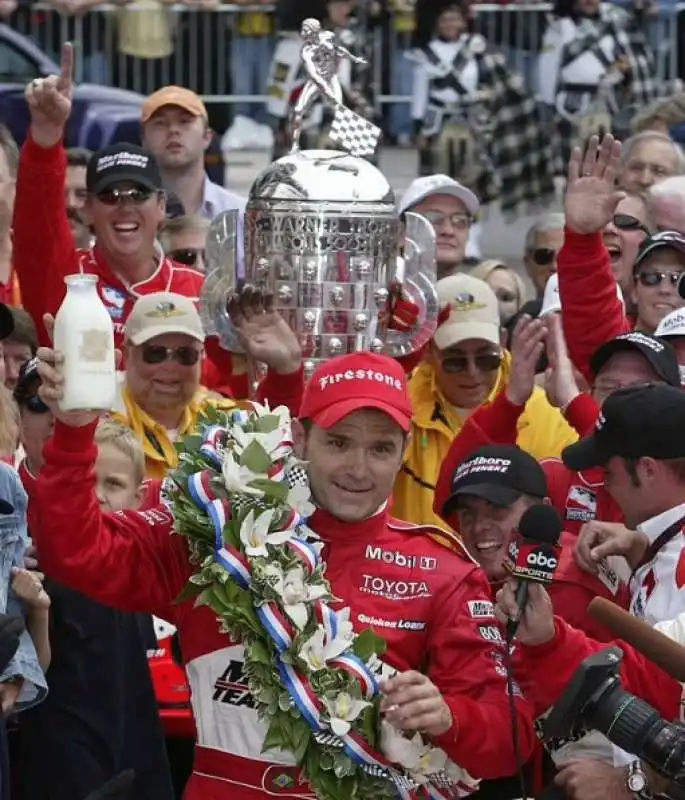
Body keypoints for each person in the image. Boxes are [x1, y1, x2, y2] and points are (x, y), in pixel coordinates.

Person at [28, 346, 536, 799]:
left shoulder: (443, 570)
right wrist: (74, 435)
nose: (358, 469)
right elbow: (74, 551)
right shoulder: (218, 530)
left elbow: (509, 736)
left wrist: (450, 717)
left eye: (381, 448)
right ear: (299, 437)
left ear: (404, 452)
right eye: (338, 443)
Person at [11, 45, 244, 398]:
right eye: (109, 196)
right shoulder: (66, 281)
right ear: (87, 209)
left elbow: (227, 392)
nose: (124, 207)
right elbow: (34, 226)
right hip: (84, 448)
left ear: (162, 206)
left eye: (138, 195)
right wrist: (46, 135)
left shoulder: (197, 290)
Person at [17, 411, 174, 800]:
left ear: (140, 497)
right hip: (62, 755)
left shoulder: (147, 568)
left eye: (114, 484)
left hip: (135, 741)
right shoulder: (40, 564)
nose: (99, 494)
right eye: (88, 482)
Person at [392, 274, 576, 528]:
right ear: (429, 351)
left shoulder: (546, 417)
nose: (472, 372)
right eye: (455, 361)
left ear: (502, 341)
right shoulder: (400, 405)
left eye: (486, 358)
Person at [408, 0, 555, 215]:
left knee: (474, 178)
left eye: (455, 19)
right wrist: (417, 127)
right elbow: (419, 94)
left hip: (474, 120)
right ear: (437, 24)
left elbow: (501, 81)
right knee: (438, 180)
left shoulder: (478, 46)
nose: (450, 24)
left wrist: (490, 95)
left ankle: (473, 230)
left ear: (463, 21)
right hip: (439, 122)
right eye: (445, 20)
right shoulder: (425, 54)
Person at [397, 175, 481, 279]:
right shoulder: (380, 291)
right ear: (401, 233)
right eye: (433, 219)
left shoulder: (479, 293)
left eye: (460, 221)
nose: (448, 231)